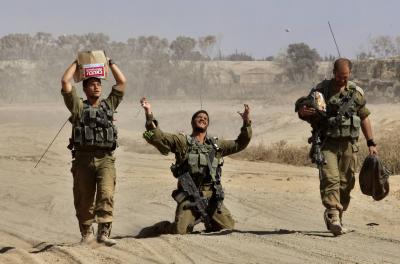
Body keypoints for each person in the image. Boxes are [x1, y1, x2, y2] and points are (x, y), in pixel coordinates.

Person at [139, 98, 251, 235]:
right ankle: (158, 228)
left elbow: (241, 143)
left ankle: (211, 222)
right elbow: (159, 137)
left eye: (205, 118)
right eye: (199, 117)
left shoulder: (216, 145)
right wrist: (148, 113)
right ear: (192, 122)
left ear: (208, 124)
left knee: (228, 229)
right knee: (179, 231)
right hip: (189, 197)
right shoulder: (182, 141)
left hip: (212, 198)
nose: (202, 119)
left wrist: (246, 122)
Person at [296, 58, 377, 236]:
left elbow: (364, 117)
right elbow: (304, 107)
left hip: (349, 144)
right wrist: (303, 110)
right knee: (330, 179)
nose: (342, 80)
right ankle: (332, 214)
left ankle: (338, 216)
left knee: (346, 183)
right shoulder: (322, 90)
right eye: (340, 76)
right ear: (333, 73)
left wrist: (371, 142)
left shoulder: (356, 93)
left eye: (346, 77)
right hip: (328, 143)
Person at [61, 58, 126, 245]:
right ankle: (86, 233)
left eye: (98, 84)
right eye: (92, 85)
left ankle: (104, 232)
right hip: (83, 159)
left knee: (106, 193)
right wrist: (77, 63)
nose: (96, 87)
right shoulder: (78, 106)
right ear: (85, 89)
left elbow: (122, 82)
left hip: (105, 158)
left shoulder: (109, 105)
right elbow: (66, 82)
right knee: (84, 199)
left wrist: (111, 63)